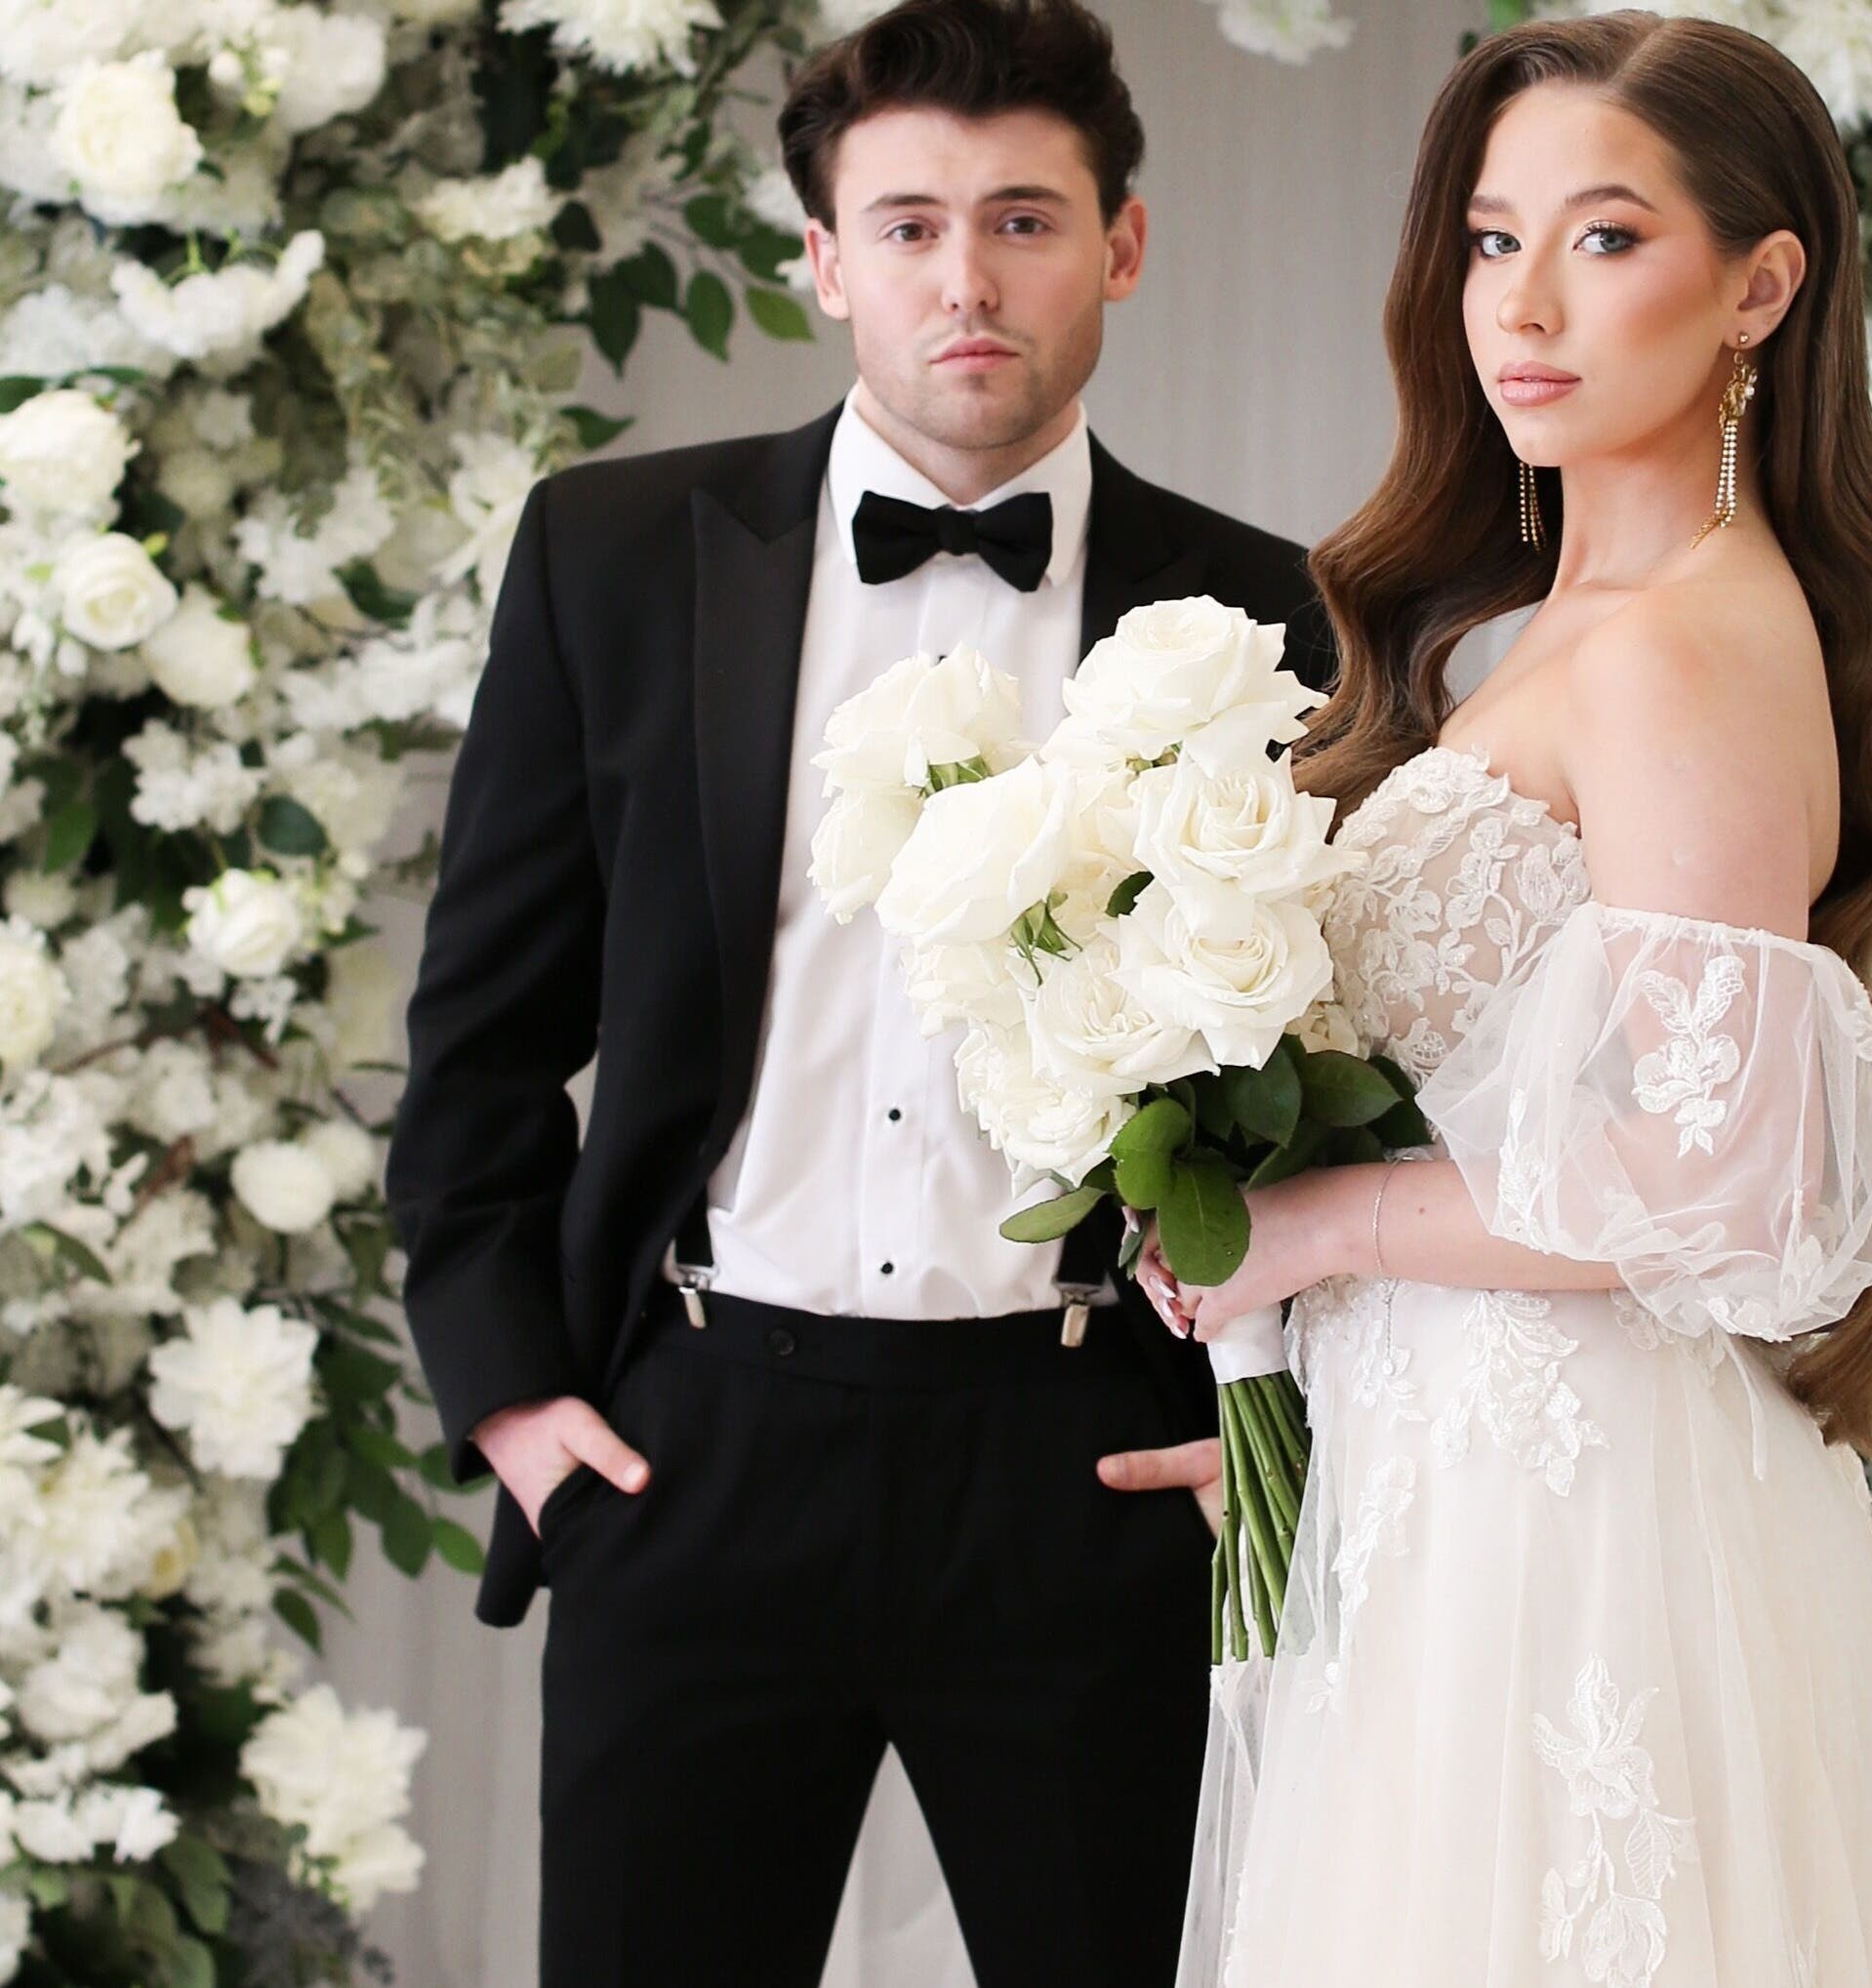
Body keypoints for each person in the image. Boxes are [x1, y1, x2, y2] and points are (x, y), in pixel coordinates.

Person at [384, 2, 1329, 1982]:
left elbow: (1345, 1074)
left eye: (1023, 219)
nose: (963, 280)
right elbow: (480, 1035)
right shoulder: (615, 556)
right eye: (904, 225)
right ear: (823, 260)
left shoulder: (1269, 614)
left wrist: (1253, 1447)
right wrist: (522, 1404)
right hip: (698, 1444)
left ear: (1123, 245)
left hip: (1088, 1468)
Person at [1132, 16, 1872, 1984]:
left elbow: (1721, 1181)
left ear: (1760, 284)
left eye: (1604, 239)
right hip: (1446, 1474)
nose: (1520, 305)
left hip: (1576, 1526)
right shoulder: (1565, 632)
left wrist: (1312, 1226)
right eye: (1487, 239)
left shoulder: (1684, 644)